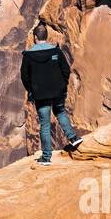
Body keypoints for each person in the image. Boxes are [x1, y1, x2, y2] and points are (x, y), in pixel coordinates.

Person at [20, 23, 82, 165]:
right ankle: (73, 137)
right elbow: (66, 70)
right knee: (60, 112)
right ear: (46, 36)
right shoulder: (56, 51)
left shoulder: (28, 55)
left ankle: (46, 158)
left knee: (45, 124)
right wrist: (62, 84)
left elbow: (24, 77)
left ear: (35, 38)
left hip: (40, 94)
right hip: (58, 91)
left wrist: (32, 90)